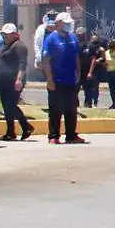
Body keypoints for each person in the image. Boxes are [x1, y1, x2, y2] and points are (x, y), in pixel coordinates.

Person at [42, 12, 86, 145]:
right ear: (58, 23)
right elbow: (46, 60)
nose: (68, 25)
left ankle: (71, 135)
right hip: (57, 81)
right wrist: (49, 79)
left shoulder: (72, 38)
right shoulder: (51, 39)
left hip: (71, 80)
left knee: (71, 109)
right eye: (65, 23)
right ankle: (53, 136)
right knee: (55, 109)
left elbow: (76, 56)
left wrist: (78, 73)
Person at [0, 23, 34, 141]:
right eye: (4, 34)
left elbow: (22, 64)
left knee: (11, 105)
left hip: (14, 80)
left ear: (14, 34)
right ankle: (10, 131)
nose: (5, 36)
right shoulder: (4, 46)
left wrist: (19, 79)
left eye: (8, 34)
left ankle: (26, 126)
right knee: (6, 107)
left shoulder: (19, 46)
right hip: (3, 81)